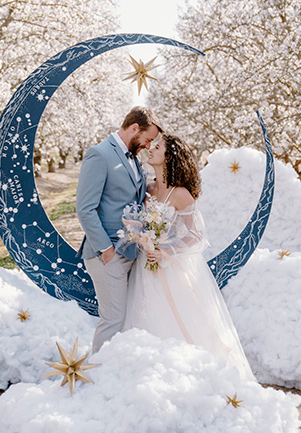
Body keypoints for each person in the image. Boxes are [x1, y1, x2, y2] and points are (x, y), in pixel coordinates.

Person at [123, 133, 256, 382]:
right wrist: (140, 237)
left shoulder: (181, 193)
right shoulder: (148, 189)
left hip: (170, 266)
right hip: (145, 265)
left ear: (169, 157)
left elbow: (197, 235)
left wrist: (165, 251)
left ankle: (186, 377)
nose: (150, 149)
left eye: (158, 147)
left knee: (178, 319)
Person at [76, 106, 163, 354]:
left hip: (132, 252)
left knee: (125, 320)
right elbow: (85, 209)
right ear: (134, 128)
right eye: (147, 139)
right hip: (107, 254)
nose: (148, 146)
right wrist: (106, 249)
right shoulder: (99, 155)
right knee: (113, 319)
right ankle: (97, 377)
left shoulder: (134, 158)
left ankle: (114, 376)